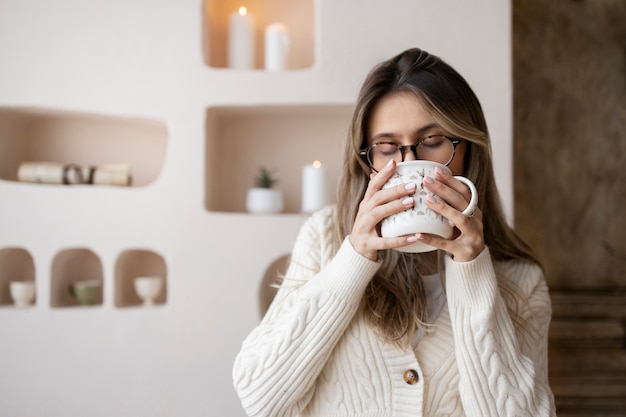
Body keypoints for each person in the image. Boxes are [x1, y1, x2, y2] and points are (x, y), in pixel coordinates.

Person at [232, 47, 556, 417]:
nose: (409, 165)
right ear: (367, 162)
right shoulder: (325, 238)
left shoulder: (521, 283)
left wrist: (472, 271)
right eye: (387, 148)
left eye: (433, 142)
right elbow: (259, 397)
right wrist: (354, 258)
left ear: (469, 149)